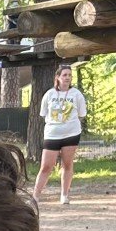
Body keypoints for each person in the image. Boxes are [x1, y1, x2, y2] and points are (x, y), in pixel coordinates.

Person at [32, 64, 89, 205]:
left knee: (67, 164)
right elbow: (43, 113)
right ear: (57, 77)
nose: (67, 78)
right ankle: (35, 196)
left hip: (71, 134)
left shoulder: (76, 94)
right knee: (46, 166)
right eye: (64, 75)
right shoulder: (49, 94)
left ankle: (64, 195)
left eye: (69, 75)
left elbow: (82, 114)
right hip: (52, 135)